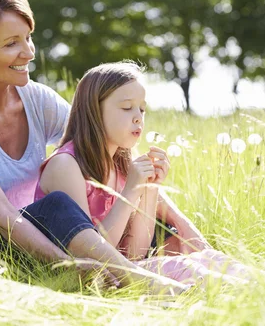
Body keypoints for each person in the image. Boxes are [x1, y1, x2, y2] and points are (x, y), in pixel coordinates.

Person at [0, 0, 187, 294]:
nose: (29, 52)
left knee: (157, 223)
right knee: (56, 205)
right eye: (11, 44)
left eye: (28, 38)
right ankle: (142, 285)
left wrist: (180, 222)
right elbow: (3, 216)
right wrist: (66, 265)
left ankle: (189, 270)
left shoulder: (37, 100)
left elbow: (109, 146)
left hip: (32, 234)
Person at [31, 62, 252, 286]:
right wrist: (131, 191)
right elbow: (93, 253)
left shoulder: (122, 164)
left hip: (120, 273)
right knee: (182, 267)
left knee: (209, 259)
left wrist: (150, 188)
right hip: (82, 278)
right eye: (127, 108)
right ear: (93, 111)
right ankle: (238, 297)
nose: (138, 117)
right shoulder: (66, 166)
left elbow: (134, 255)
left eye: (142, 109)